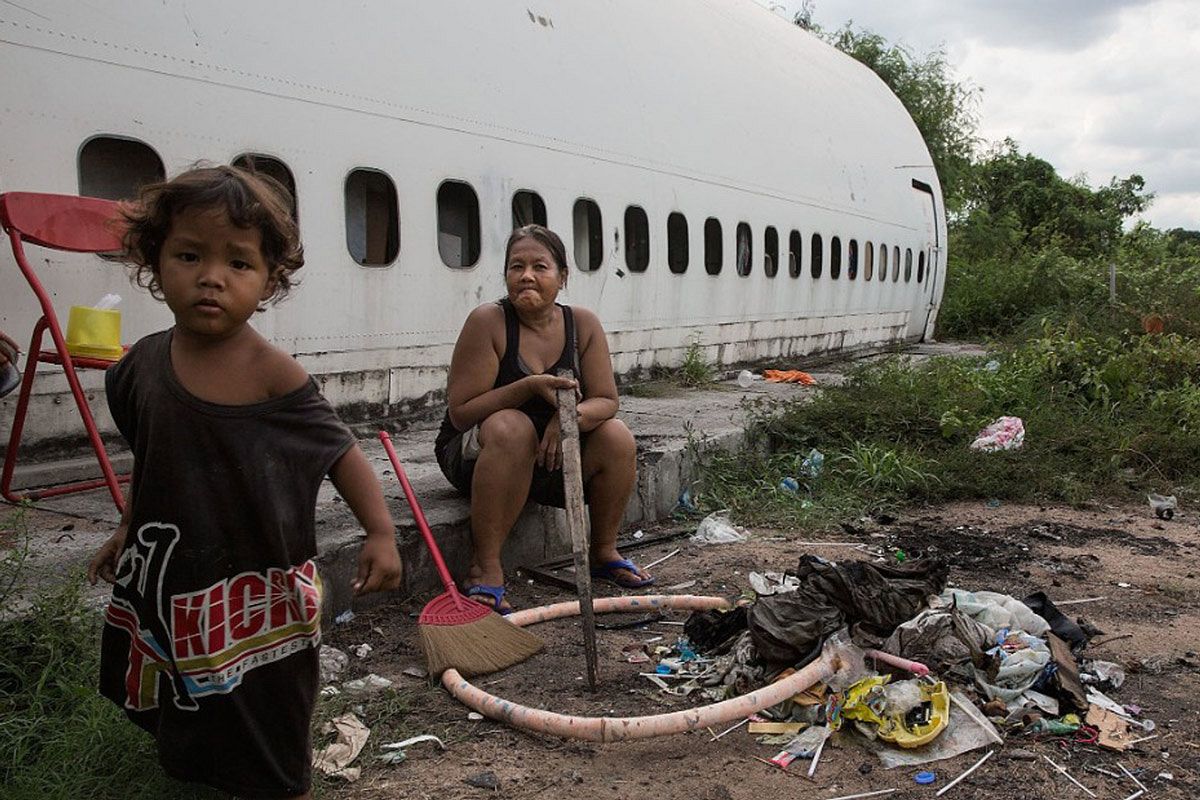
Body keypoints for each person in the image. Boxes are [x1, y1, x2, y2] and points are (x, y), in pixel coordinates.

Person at [86, 165, 402, 800]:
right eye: (189, 255)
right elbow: (151, 453)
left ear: (268, 281)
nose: (212, 277)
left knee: (268, 714)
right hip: (177, 577)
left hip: (256, 592)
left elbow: (337, 448)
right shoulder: (142, 365)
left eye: (239, 263)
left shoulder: (270, 372)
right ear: (155, 260)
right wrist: (128, 526)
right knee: (180, 693)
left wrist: (381, 530)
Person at [435, 224, 651, 615]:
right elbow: (461, 411)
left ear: (562, 276)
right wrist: (529, 387)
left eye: (540, 266)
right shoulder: (489, 321)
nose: (527, 276)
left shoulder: (581, 325)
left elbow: (607, 400)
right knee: (512, 426)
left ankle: (603, 551)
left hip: (548, 454)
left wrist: (567, 421)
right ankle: (486, 565)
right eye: (516, 267)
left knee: (616, 437)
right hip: (478, 451)